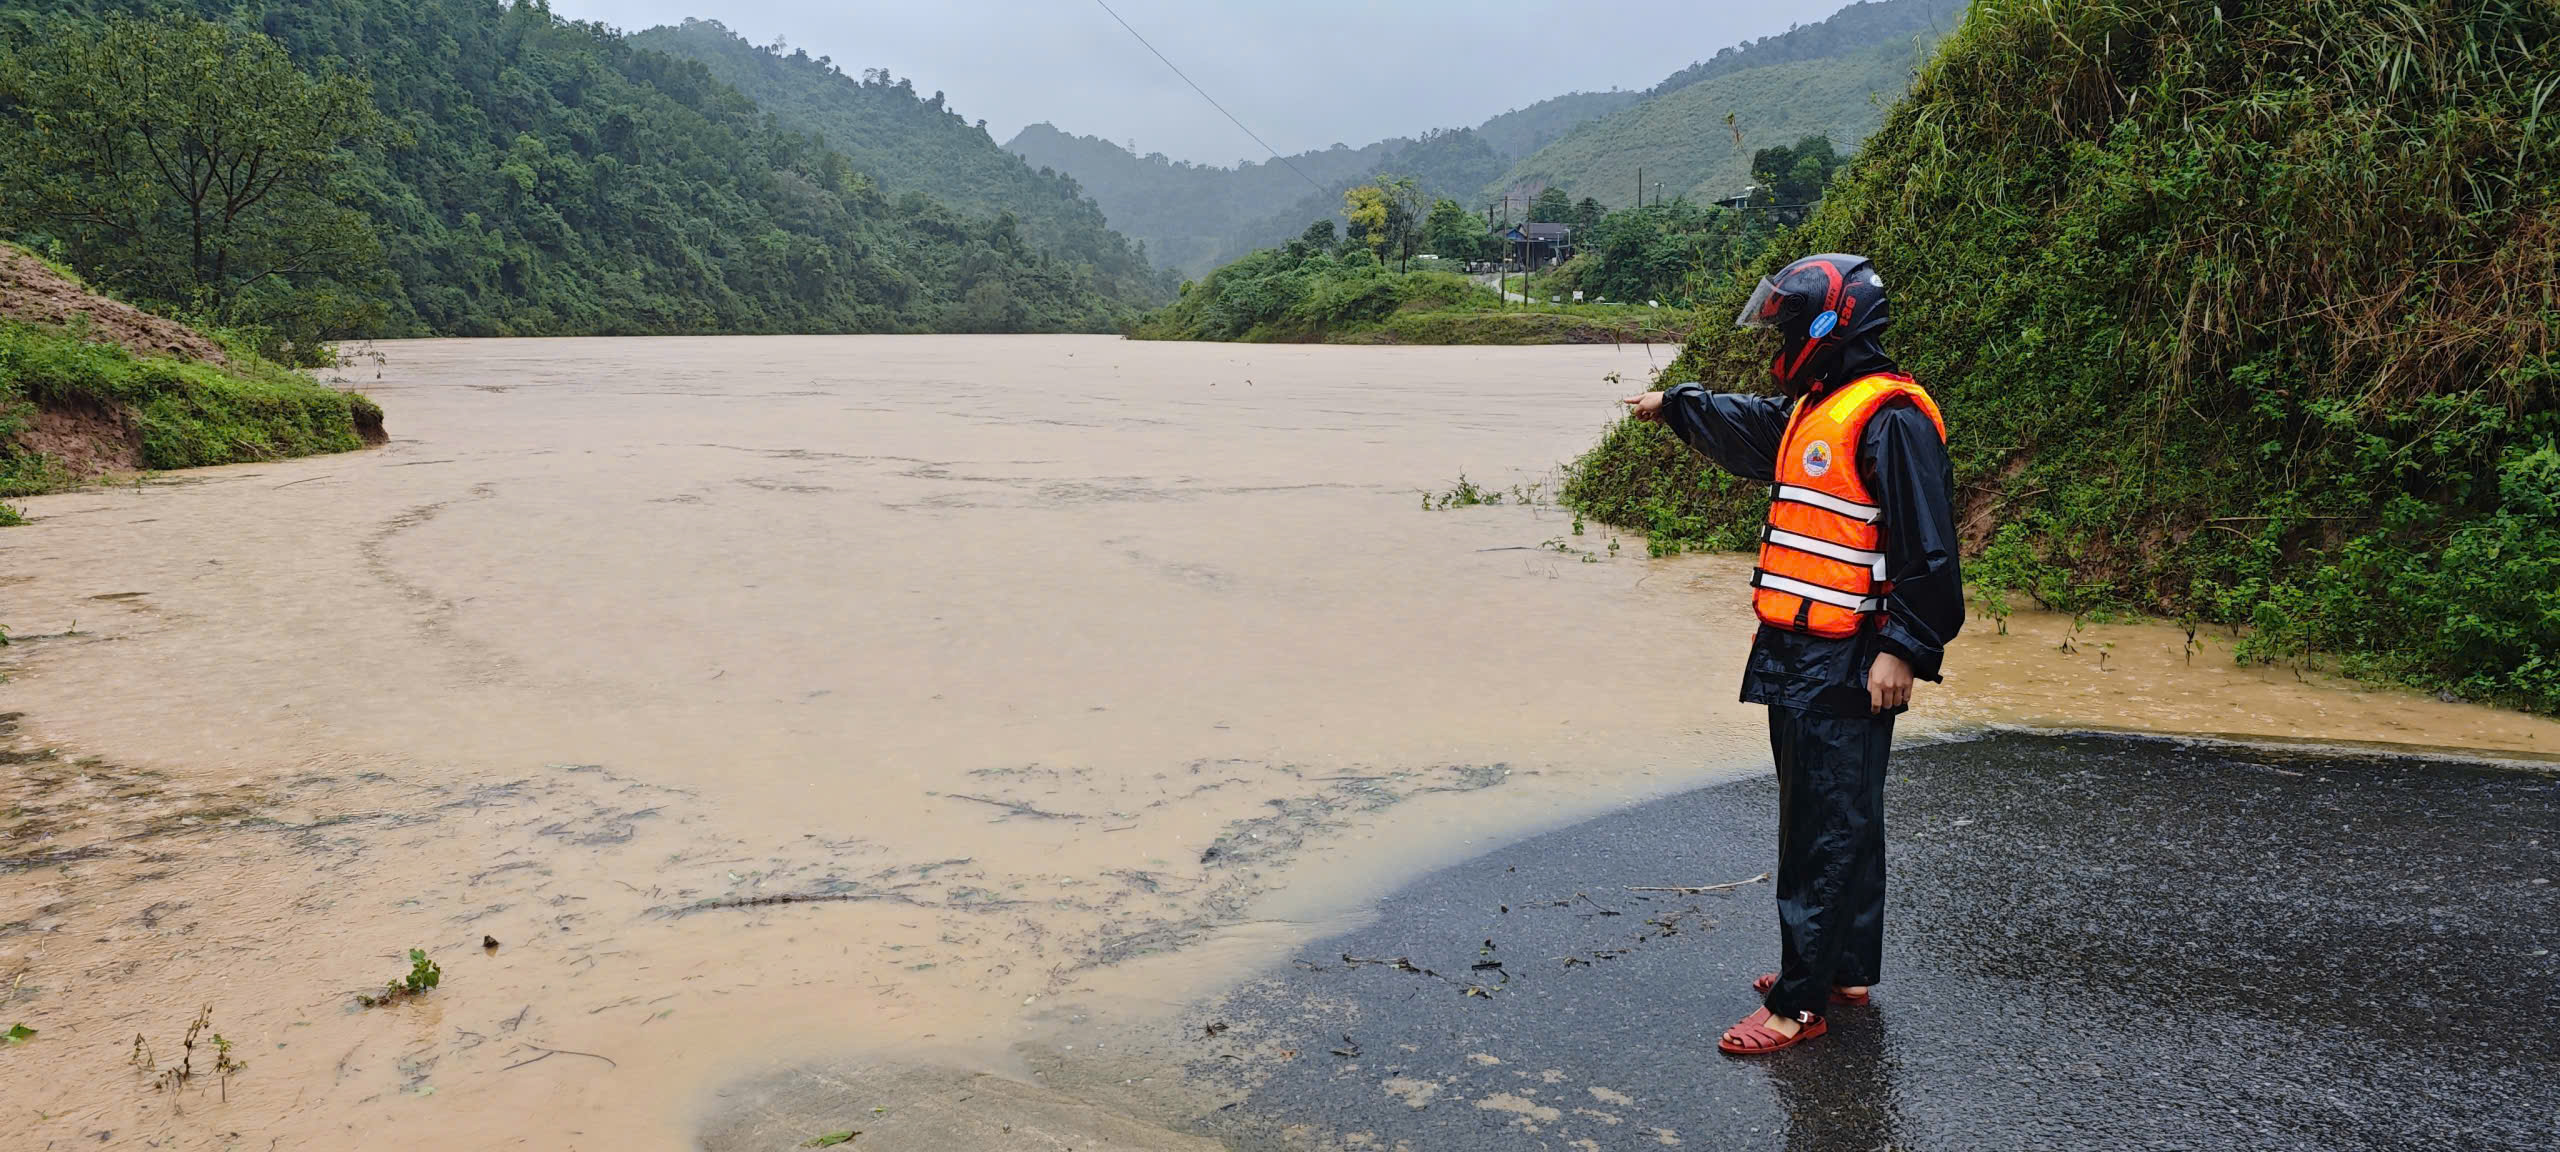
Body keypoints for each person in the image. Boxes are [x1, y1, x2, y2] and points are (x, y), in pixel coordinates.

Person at [1620, 253, 1963, 1055]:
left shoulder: (1892, 418)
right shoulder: (1822, 407)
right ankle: (1841, 968)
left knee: (1827, 828)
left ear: (1827, 325)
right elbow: (1752, 425)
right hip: (1798, 649)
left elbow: (1932, 552)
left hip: (1849, 657)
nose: (1776, 337)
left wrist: (1904, 648)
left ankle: (1797, 1005)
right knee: (1837, 817)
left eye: (1784, 324)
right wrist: (1677, 405)